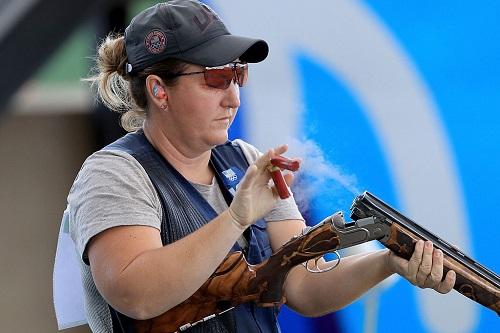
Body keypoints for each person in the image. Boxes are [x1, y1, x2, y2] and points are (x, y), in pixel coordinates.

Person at [67, 1, 456, 332]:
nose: (233, 98)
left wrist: (389, 262)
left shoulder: (247, 160)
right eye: (215, 78)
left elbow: (303, 286)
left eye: (238, 74)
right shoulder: (115, 172)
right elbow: (136, 295)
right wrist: (237, 217)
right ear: (158, 90)